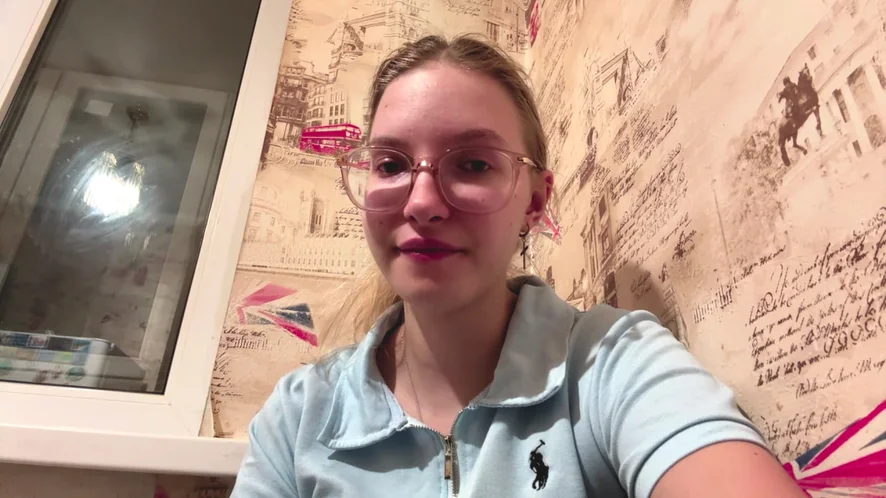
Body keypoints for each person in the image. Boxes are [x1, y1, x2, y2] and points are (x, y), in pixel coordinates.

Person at [231, 34, 807, 498]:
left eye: (473, 163)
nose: (422, 203)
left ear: (534, 200)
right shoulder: (299, 417)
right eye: (391, 164)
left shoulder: (610, 363)